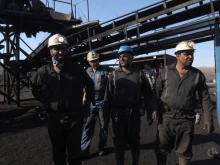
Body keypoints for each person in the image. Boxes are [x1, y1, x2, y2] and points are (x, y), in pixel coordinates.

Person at [30, 34, 95, 165]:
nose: (61, 51)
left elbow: (89, 85)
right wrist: (44, 99)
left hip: (75, 120)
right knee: (58, 155)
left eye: (64, 48)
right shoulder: (43, 71)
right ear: (50, 50)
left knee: (75, 155)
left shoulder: (77, 69)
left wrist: (87, 102)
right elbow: (33, 86)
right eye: (56, 48)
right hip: (54, 119)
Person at [155, 41, 215, 165]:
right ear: (177, 56)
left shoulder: (197, 75)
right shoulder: (166, 72)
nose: (190, 56)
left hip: (186, 119)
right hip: (166, 117)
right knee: (161, 148)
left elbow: (205, 98)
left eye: (192, 54)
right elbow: (156, 92)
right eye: (186, 54)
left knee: (185, 151)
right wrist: (154, 109)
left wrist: (208, 118)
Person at [103, 45, 157, 165]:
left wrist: (150, 111)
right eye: (120, 56)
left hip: (134, 114)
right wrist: (105, 116)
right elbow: (108, 97)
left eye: (125, 56)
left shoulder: (139, 75)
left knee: (134, 141)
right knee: (118, 142)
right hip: (117, 114)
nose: (122, 58)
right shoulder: (113, 75)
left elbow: (148, 94)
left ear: (131, 57)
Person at [81, 50, 113, 156]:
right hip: (91, 101)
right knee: (88, 125)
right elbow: (84, 86)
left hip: (103, 100)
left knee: (104, 125)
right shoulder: (87, 71)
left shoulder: (106, 69)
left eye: (96, 60)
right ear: (89, 62)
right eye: (92, 61)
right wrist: (84, 96)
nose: (95, 62)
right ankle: (84, 149)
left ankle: (102, 147)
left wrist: (111, 77)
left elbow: (117, 73)